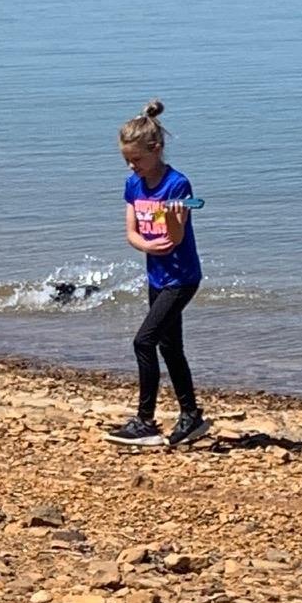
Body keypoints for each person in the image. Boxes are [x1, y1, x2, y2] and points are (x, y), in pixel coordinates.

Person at [106, 100, 207, 448]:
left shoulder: (177, 185)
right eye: (127, 161)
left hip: (182, 278)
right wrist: (146, 246)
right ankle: (191, 416)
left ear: (156, 149)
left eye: (137, 160)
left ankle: (145, 421)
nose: (133, 167)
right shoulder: (134, 186)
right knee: (169, 347)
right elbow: (132, 233)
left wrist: (171, 215)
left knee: (143, 341)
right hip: (156, 276)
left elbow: (176, 238)